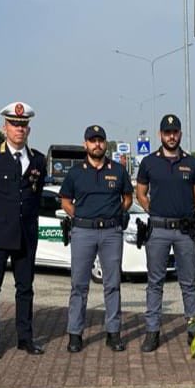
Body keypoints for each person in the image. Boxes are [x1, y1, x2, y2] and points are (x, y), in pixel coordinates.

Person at [0, 102, 47, 358]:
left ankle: (25, 338)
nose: (19, 129)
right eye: (14, 124)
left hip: (25, 235)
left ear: (28, 128)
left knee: (25, 289)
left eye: (23, 124)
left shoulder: (38, 160)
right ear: (4, 126)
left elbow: (35, 198)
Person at [59, 125, 133, 353]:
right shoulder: (75, 172)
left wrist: (114, 213)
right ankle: (75, 334)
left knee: (112, 284)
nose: (97, 144)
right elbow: (65, 201)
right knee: (79, 285)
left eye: (100, 140)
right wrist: (81, 216)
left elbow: (128, 198)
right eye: (92, 140)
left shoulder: (118, 171)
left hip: (111, 232)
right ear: (85, 144)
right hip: (83, 232)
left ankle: (113, 332)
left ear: (105, 143)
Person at [135, 114, 195, 352]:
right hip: (158, 230)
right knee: (155, 283)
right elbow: (141, 193)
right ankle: (152, 332)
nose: (171, 136)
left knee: (189, 283)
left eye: (175, 132)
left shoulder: (193, 163)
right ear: (160, 135)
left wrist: (185, 212)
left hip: (185, 231)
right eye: (167, 132)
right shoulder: (149, 162)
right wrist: (152, 210)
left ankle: (194, 329)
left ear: (180, 135)